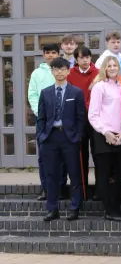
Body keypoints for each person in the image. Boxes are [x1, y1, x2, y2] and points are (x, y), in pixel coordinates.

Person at [37, 57, 85, 221]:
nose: (59, 72)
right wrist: (41, 136)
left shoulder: (76, 92)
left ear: (68, 70)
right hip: (50, 137)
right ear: (52, 71)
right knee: (51, 175)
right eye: (56, 69)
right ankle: (52, 209)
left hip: (69, 137)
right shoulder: (45, 93)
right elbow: (41, 118)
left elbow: (81, 117)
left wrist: (77, 136)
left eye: (62, 68)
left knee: (74, 173)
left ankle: (75, 207)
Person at [88, 56, 121, 221]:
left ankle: (116, 204)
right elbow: (93, 115)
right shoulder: (99, 87)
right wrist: (106, 132)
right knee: (103, 174)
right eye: (109, 65)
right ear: (104, 68)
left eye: (115, 65)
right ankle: (110, 210)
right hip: (103, 135)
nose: (112, 68)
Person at [28, 43, 60, 201]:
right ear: (43, 54)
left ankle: (60, 188)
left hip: (61, 119)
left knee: (60, 156)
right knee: (44, 156)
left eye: (54, 53)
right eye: (48, 53)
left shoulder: (62, 70)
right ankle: (45, 188)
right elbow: (32, 95)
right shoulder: (36, 73)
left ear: (58, 54)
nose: (51, 55)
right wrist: (40, 113)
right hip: (42, 120)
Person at [67, 46, 98, 200]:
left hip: (96, 119)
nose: (85, 60)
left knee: (98, 153)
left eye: (87, 57)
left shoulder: (98, 73)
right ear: (76, 59)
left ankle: (100, 189)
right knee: (81, 154)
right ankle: (83, 189)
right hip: (78, 119)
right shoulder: (70, 74)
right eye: (81, 57)